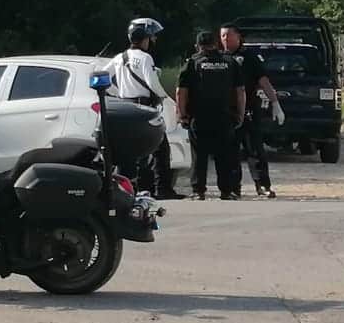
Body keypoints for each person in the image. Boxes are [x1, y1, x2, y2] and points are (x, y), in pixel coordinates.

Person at [103, 18, 186, 200]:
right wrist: (164, 96)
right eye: (150, 38)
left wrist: (117, 93)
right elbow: (152, 82)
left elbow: (102, 76)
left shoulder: (120, 57)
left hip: (126, 106)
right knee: (159, 148)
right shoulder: (145, 58)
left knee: (133, 150)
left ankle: (136, 188)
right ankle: (162, 189)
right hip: (144, 107)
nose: (152, 41)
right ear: (144, 39)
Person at [176, 30, 245, 200]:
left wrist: (182, 114)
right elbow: (240, 91)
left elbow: (180, 92)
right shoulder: (230, 62)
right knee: (224, 155)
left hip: (199, 117)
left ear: (198, 46)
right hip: (225, 116)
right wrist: (240, 114)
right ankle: (226, 191)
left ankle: (198, 191)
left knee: (199, 155)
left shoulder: (192, 63)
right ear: (216, 44)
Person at [220, 23, 285, 198]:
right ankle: (233, 188)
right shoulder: (219, 59)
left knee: (254, 149)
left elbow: (263, 81)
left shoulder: (249, 57)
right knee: (230, 151)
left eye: (229, 35)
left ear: (238, 37)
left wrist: (275, 103)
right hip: (228, 112)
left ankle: (262, 185)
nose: (226, 39)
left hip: (249, 110)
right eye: (223, 36)